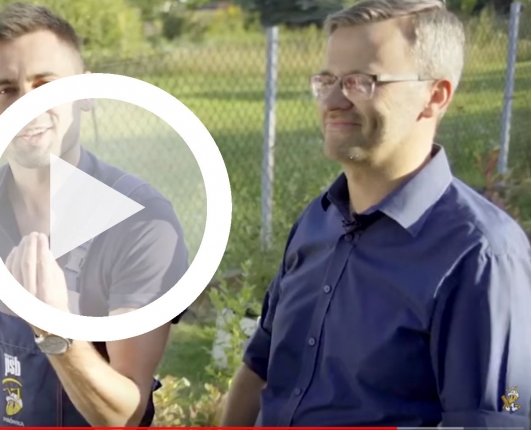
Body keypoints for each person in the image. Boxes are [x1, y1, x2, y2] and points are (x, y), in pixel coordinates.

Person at [221, 0, 531, 427]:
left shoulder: (481, 256)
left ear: (435, 96)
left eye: (361, 82)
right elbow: (260, 369)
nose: (333, 100)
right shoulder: (317, 220)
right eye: (327, 80)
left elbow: (496, 417)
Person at [0, 3, 189, 427]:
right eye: (6, 90)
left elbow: (126, 413)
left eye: (46, 85)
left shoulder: (142, 224)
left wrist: (52, 330)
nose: (28, 105)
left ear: (86, 93)